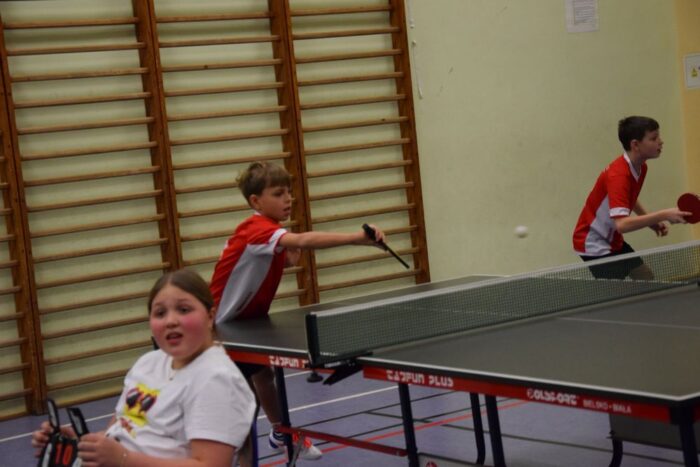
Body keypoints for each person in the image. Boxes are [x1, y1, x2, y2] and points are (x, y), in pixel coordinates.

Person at [210, 161, 386, 461]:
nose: (288, 199)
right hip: (217, 328)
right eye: (279, 193)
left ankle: (280, 432)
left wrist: (288, 260)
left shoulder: (269, 233)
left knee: (263, 376)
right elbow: (302, 240)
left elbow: (275, 259)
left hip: (243, 326)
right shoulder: (255, 229)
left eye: (289, 192)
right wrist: (358, 239)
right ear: (256, 201)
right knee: (243, 408)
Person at [32, 269, 256, 467]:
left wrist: (123, 459)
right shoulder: (149, 363)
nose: (170, 321)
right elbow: (124, 429)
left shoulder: (216, 379)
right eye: (160, 313)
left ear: (210, 316)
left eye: (184, 309)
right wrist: (83, 443)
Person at [572, 116, 689, 279]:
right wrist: (664, 214)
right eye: (653, 138)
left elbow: (629, 198)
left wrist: (650, 221)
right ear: (635, 145)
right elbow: (622, 225)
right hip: (594, 242)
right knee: (618, 291)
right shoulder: (619, 175)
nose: (661, 142)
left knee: (645, 277)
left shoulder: (640, 167)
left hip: (612, 238)